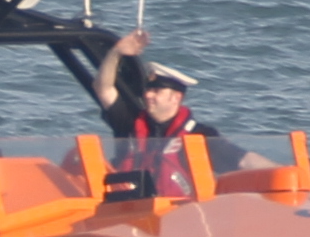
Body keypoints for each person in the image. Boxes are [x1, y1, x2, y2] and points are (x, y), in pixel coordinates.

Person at [95, 34, 241, 202]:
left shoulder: (201, 135)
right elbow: (103, 88)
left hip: (175, 217)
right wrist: (116, 52)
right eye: (148, 90)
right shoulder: (129, 123)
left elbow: (243, 160)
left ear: (176, 98)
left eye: (157, 91)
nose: (148, 95)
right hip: (125, 212)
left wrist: (276, 174)